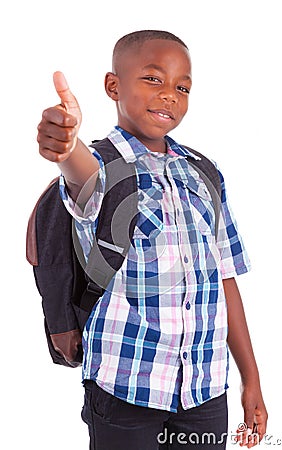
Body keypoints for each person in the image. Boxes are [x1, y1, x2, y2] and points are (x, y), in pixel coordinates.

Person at [37, 30, 267, 449]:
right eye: (153, 79)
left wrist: (250, 379)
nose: (169, 96)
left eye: (182, 87)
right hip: (126, 386)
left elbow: (225, 278)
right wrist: (65, 147)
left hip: (205, 388)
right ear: (113, 86)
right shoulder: (103, 165)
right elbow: (81, 175)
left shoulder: (203, 173)